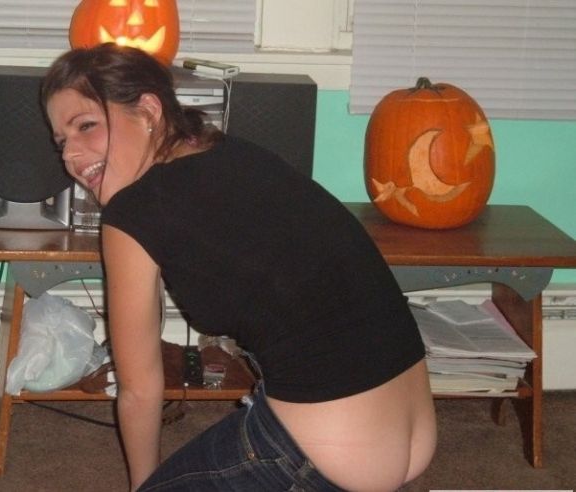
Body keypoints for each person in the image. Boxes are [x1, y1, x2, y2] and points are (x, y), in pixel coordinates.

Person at [42, 43, 437, 492]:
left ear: (148, 110)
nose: (71, 156)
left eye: (86, 126)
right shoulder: (239, 153)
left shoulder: (131, 212)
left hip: (326, 457)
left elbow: (139, 390)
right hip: (415, 432)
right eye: (62, 142)